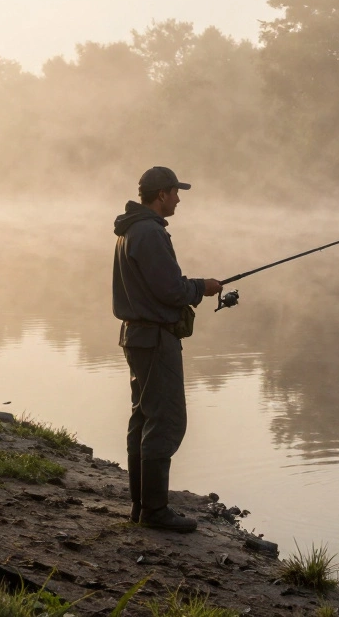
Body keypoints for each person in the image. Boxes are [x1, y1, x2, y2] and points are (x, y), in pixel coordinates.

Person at [112, 166, 221, 532]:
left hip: (137, 336)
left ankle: (141, 507)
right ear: (161, 194)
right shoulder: (149, 232)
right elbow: (170, 290)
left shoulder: (131, 230)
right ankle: (155, 512)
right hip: (155, 339)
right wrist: (201, 287)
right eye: (176, 192)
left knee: (143, 417)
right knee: (166, 419)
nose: (178, 199)